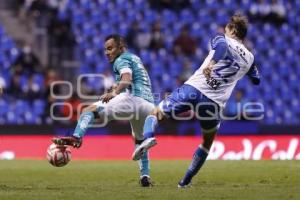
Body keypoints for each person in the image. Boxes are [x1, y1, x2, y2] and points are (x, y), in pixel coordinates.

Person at [132, 13, 260, 187]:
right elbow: (256, 79)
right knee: (207, 142)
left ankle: (148, 138)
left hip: (193, 89)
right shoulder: (250, 57)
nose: (224, 30)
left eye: (227, 27)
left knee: (156, 113)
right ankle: (184, 182)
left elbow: (221, 48)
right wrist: (249, 70)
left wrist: (212, 63)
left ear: (233, 30)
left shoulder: (222, 39)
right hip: (213, 103)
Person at [52, 34, 155, 187]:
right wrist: (115, 87)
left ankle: (76, 137)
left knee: (89, 110)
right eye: (105, 49)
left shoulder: (121, 59)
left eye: (110, 48)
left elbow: (126, 79)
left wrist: (114, 93)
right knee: (139, 141)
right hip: (149, 105)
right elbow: (131, 79)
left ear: (121, 48)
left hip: (133, 99)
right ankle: (145, 177)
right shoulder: (135, 58)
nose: (107, 52)